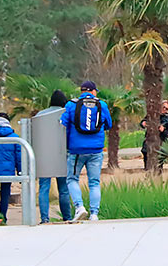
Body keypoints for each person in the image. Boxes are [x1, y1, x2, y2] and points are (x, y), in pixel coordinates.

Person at [61, 81, 112, 222]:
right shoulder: (102, 105)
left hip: (76, 150)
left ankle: (79, 207)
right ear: (93, 91)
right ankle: (94, 213)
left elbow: (63, 123)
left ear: (81, 91)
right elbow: (109, 124)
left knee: (72, 179)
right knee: (94, 182)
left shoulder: (71, 105)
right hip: (96, 150)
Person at [36, 90, 72, 224]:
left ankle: (44, 218)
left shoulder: (40, 115)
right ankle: (67, 217)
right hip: (62, 155)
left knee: (44, 188)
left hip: (44, 156)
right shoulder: (65, 114)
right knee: (63, 189)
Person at [140, 100, 168, 169]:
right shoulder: (152, 115)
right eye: (163, 107)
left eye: (166, 108)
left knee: (158, 165)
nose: (164, 109)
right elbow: (143, 121)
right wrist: (143, 123)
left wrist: (163, 130)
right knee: (147, 162)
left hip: (160, 143)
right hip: (149, 142)